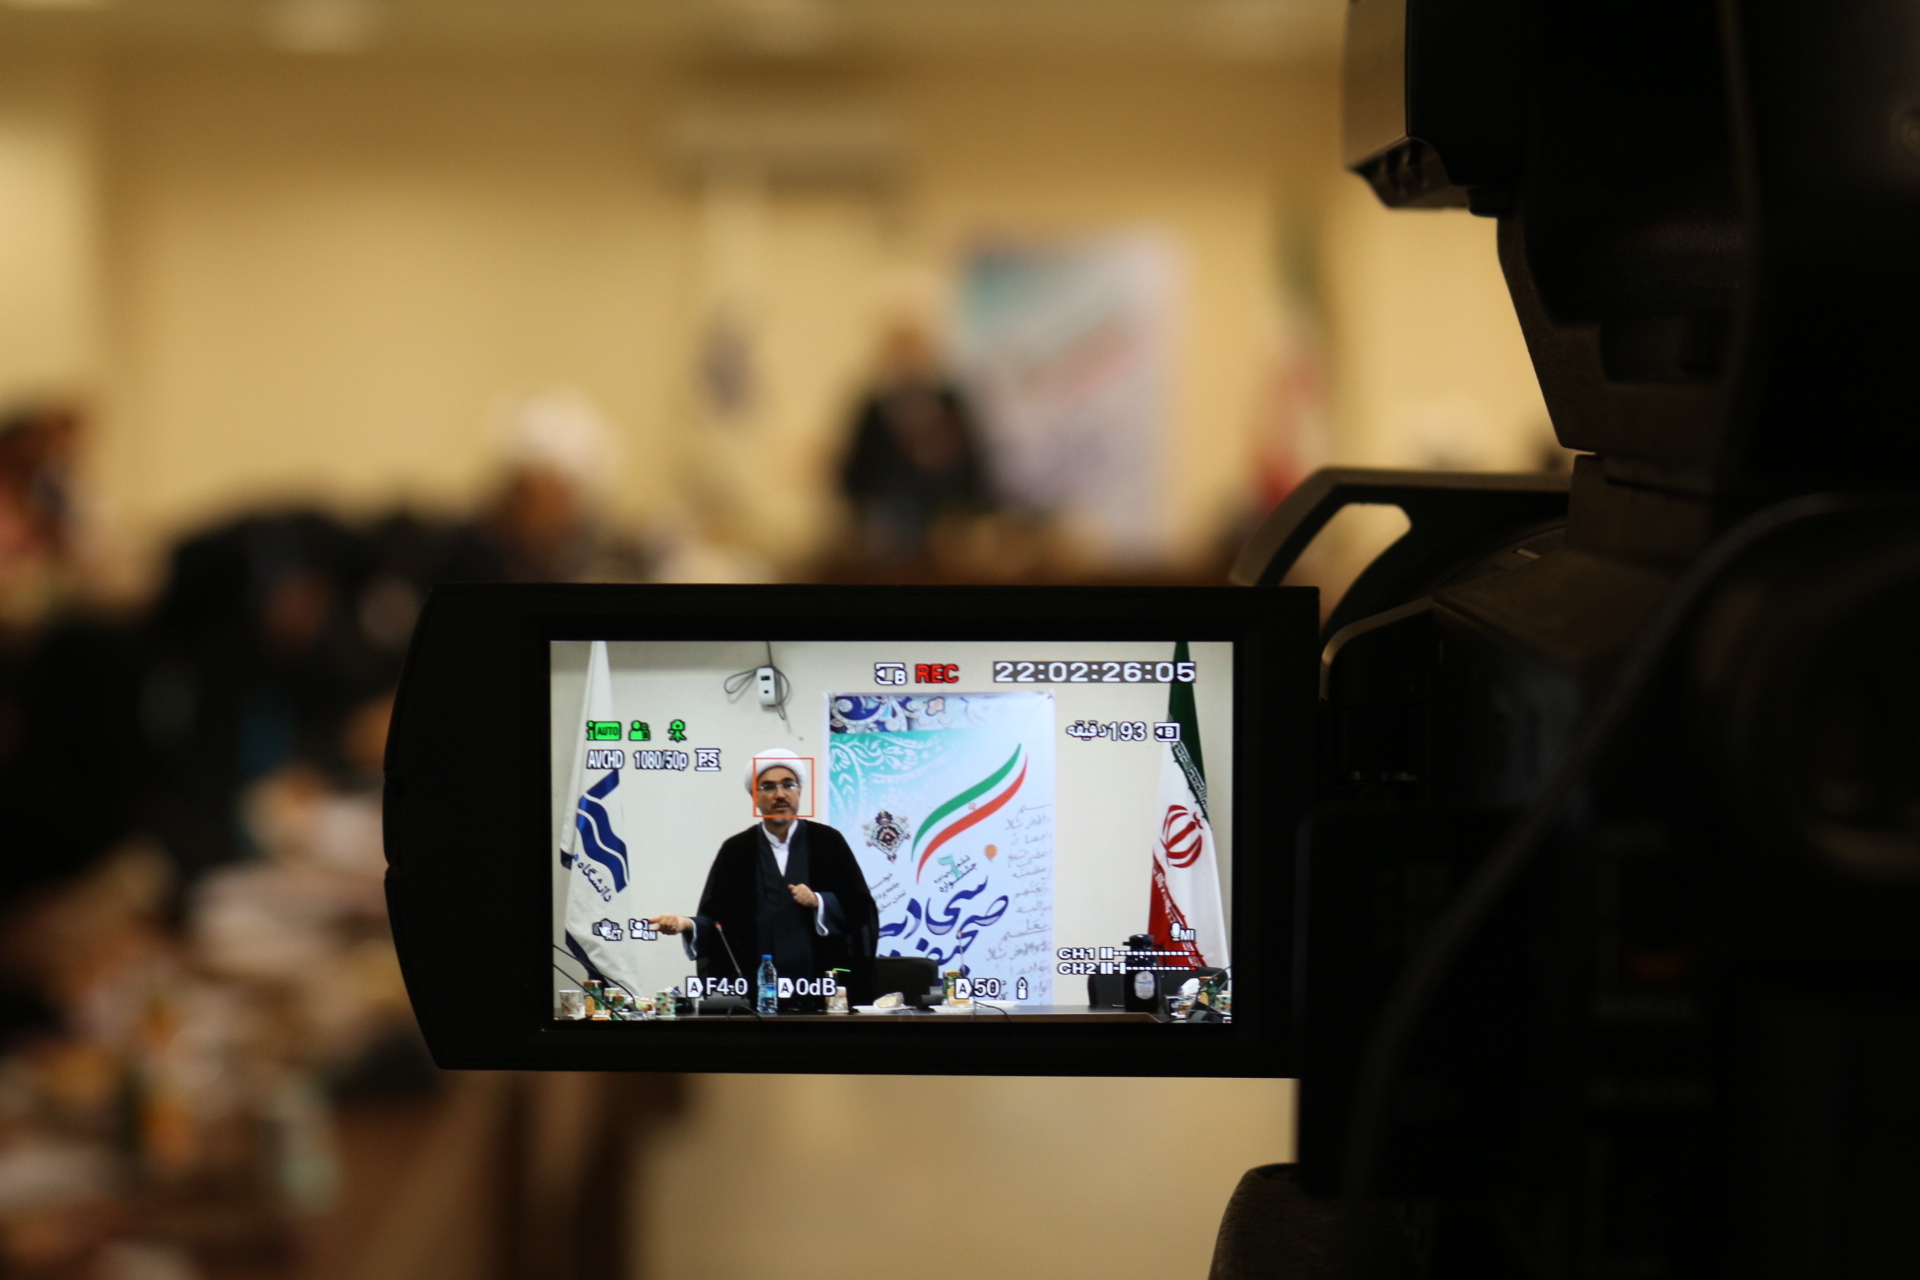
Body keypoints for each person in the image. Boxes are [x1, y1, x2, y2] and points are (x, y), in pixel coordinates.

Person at [651, 750, 877, 1006]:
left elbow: (861, 908)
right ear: (755, 797)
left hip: (819, 991)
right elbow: (719, 923)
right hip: (755, 997)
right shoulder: (737, 850)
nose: (780, 794)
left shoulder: (827, 842)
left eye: (788, 785)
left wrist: (819, 901)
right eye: (768, 787)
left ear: (800, 791)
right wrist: (687, 925)